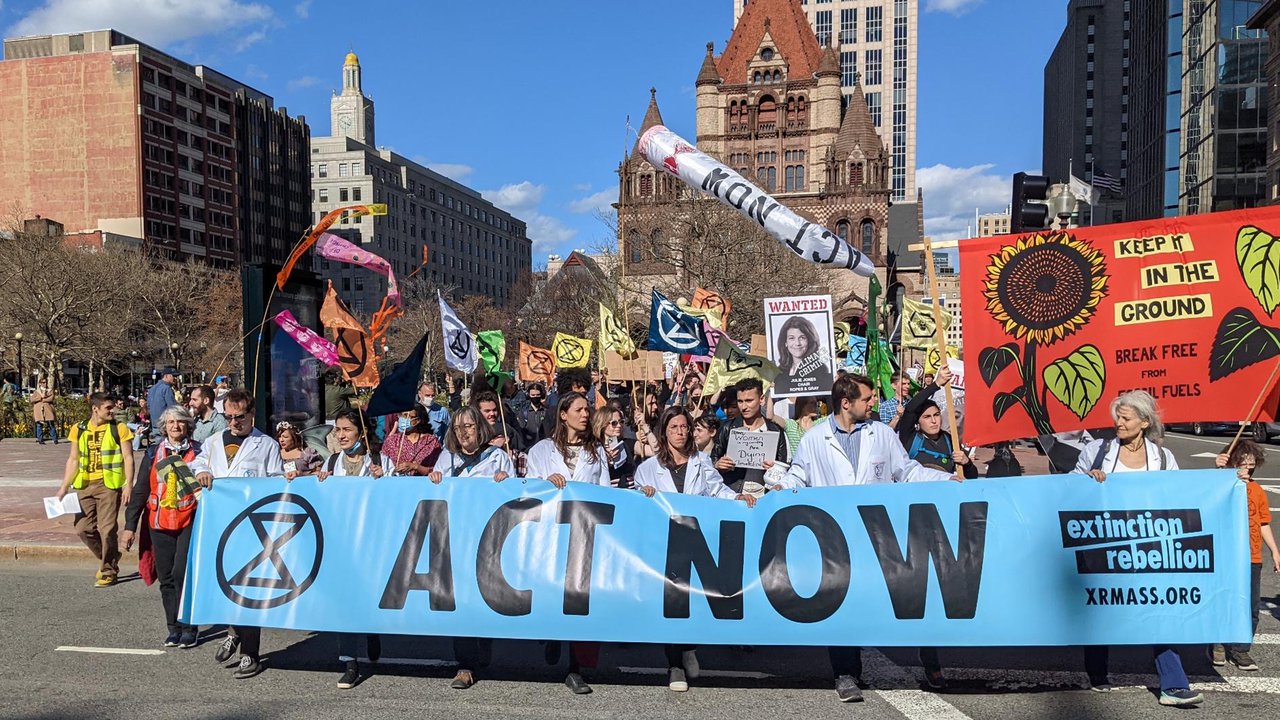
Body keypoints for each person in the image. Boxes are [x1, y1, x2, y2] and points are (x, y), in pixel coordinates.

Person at [774, 374, 956, 702]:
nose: (874, 403)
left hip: (880, 535)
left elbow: (908, 471)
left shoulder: (881, 434)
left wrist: (944, 478)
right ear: (846, 403)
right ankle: (845, 674)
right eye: (867, 399)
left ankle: (931, 663)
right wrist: (778, 489)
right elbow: (798, 474)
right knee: (840, 601)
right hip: (837, 537)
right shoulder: (816, 438)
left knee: (912, 595)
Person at [1072, 390, 1200, 707]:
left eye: (1126, 418)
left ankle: (1173, 685)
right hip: (1104, 546)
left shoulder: (1163, 458)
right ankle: (1097, 671)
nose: (1119, 422)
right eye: (1117, 416)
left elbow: (1178, 496)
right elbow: (1069, 491)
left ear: (1144, 422)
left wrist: (1227, 475)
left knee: (1159, 612)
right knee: (1103, 608)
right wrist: (1088, 480)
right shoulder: (1096, 452)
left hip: (1149, 549)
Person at [634, 407, 756, 692]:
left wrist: (737, 497)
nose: (680, 432)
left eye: (684, 427)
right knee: (672, 603)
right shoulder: (648, 468)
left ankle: (689, 647)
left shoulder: (701, 461)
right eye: (674, 427)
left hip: (698, 540)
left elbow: (716, 491)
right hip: (665, 544)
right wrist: (644, 494)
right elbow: (637, 502)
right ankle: (674, 664)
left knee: (696, 600)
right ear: (663, 432)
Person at [189, 389, 284, 680]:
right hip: (221, 524)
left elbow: (277, 480)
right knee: (226, 584)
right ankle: (233, 631)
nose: (233, 422)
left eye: (239, 417)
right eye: (229, 417)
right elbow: (198, 463)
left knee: (248, 589)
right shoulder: (214, 441)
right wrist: (202, 471)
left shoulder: (265, 444)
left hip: (252, 529)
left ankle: (250, 654)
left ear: (251, 414)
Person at [526, 392, 610, 695]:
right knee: (552, 596)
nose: (586, 415)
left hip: (586, 535)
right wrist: (546, 481)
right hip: (552, 534)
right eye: (579, 410)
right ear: (563, 414)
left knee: (579, 601)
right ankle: (552, 636)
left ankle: (575, 669)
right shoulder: (541, 450)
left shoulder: (596, 450)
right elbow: (529, 488)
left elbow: (605, 493)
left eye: (587, 410)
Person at [426, 405, 513, 689]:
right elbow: (435, 497)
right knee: (460, 602)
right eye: (458, 427)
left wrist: (504, 483)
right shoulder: (447, 459)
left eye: (469, 426)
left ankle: (484, 641)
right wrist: (435, 481)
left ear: (480, 428)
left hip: (489, 541)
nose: (463, 433)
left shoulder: (498, 457)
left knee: (484, 597)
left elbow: (514, 497)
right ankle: (464, 665)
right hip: (457, 540)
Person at [315, 408, 391, 689]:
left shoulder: (381, 461)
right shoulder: (332, 462)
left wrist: (385, 480)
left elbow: (398, 501)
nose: (341, 435)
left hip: (371, 545)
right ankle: (350, 662)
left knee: (367, 598)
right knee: (344, 603)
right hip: (341, 545)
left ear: (362, 432)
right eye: (338, 430)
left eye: (347, 429)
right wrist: (318, 483)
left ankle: (372, 630)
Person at [121, 405, 202, 648]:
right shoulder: (153, 453)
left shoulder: (200, 451)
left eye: (180, 422)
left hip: (190, 520)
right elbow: (140, 490)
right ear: (163, 427)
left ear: (188, 425)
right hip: (159, 521)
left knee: (182, 574)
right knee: (166, 577)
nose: (175, 426)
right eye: (170, 423)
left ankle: (189, 627)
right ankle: (173, 628)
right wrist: (129, 526)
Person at [54, 392, 136, 587]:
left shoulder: (119, 428)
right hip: (84, 485)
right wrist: (64, 486)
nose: (112, 410)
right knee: (83, 528)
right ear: (95, 409)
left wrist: (128, 485)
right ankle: (111, 557)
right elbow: (73, 459)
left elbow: (128, 458)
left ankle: (108, 570)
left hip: (109, 485)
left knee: (107, 529)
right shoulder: (79, 429)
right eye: (108, 407)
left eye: (113, 407)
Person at [1211, 440, 1277, 671]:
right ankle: (1218, 643)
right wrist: (1219, 471)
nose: (1247, 469)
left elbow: (1263, 523)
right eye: (1242, 464)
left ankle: (1241, 649)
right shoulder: (1222, 484)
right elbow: (1206, 496)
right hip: (1226, 555)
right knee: (1223, 599)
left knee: (1251, 606)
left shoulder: (1257, 490)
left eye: (1251, 465)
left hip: (1252, 556)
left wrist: (1275, 552)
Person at [898, 366, 978, 479]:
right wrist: (937, 384)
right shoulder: (910, 438)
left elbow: (972, 477)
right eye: (926, 417)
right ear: (918, 422)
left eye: (936, 415)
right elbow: (910, 408)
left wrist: (967, 462)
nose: (933, 421)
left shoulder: (950, 440)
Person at [712, 378, 789, 494]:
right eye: (740, 401)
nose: (744, 407)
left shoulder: (775, 430)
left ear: (761, 399)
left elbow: (783, 466)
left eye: (749, 401)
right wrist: (718, 464)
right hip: (734, 493)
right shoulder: (727, 428)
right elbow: (712, 459)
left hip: (765, 495)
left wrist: (774, 469)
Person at [773, 315, 833, 396]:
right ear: (785, 342)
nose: (797, 343)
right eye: (791, 338)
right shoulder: (779, 372)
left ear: (809, 341)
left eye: (802, 338)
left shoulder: (820, 369)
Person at [382, 403, 443, 476]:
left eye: (406, 416)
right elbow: (383, 466)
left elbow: (437, 470)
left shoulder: (431, 442)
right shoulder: (392, 441)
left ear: (418, 420)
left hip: (423, 485)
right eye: (401, 415)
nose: (402, 419)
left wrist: (416, 467)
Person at [592, 401, 633, 488]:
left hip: (630, 494)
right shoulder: (595, 447)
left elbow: (654, 450)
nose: (619, 426)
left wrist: (645, 427)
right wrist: (606, 463)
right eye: (614, 423)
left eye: (621, 422)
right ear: (602, 424)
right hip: (608, 494)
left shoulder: (626, 444)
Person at [146, 369, 179, 441]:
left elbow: (148, 406)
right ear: (166, 376)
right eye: (174, 376)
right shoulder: (166, 388)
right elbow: (172, 407)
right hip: (165, 424)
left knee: (158, 447)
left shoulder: (152, 389)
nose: (175, 378)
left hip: (154, 424)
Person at [30, 378, 58, 444]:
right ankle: (40, 439)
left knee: (51, 424)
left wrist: (44, 399)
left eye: (45, 382)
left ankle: (55, 439)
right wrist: (40, 397)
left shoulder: (49, 391)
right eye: (43, 382)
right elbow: (32, 399)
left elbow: (51, 398)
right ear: (40, 383)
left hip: (48, 410)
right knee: (39, 425)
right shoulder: (36, 392)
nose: (44, 384)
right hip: (39, 410)